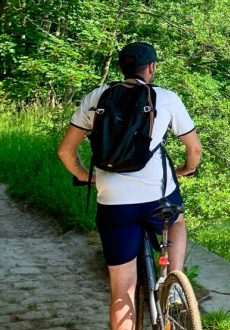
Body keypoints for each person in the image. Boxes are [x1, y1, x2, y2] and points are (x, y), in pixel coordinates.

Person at [57, 42, 203, 330]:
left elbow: (65, 152)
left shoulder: (96, 97)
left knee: (121, 290)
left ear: (121, 67)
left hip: (113, 203)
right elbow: (194, 149)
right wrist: (186, 169)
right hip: (157, 196)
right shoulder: (166, 98)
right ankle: (174, 283)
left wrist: (87, 175)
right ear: (151, 68)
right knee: (177, 221)